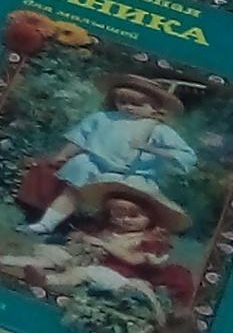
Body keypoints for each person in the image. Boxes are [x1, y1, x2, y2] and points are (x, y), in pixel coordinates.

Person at [21, 74, 197, 234]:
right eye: (123, 102)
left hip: (131, 175)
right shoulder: (102, 118)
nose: (128, 107)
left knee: (126, 205)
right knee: (74, 186)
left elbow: (186, 155)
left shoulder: (159, 129)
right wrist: (63, 155)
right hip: (94, 164)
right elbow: (80, 138)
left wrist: (151, 149)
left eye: (137, 104)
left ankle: (111, 236)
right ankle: (47, 223)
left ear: (155, 108)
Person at [0, 181, 196, 305]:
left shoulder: (148, 241)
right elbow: (86, 238)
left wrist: (104, 245)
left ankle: (48, 281)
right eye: (117, 214)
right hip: (90, 260)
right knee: (56, 255)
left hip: (122, 278)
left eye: (133, 216)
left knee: (84, 273)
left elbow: (135, 260)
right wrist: (80, 238)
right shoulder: (107, 229)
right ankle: (4, 260)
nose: (124, 220)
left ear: (151, 219)